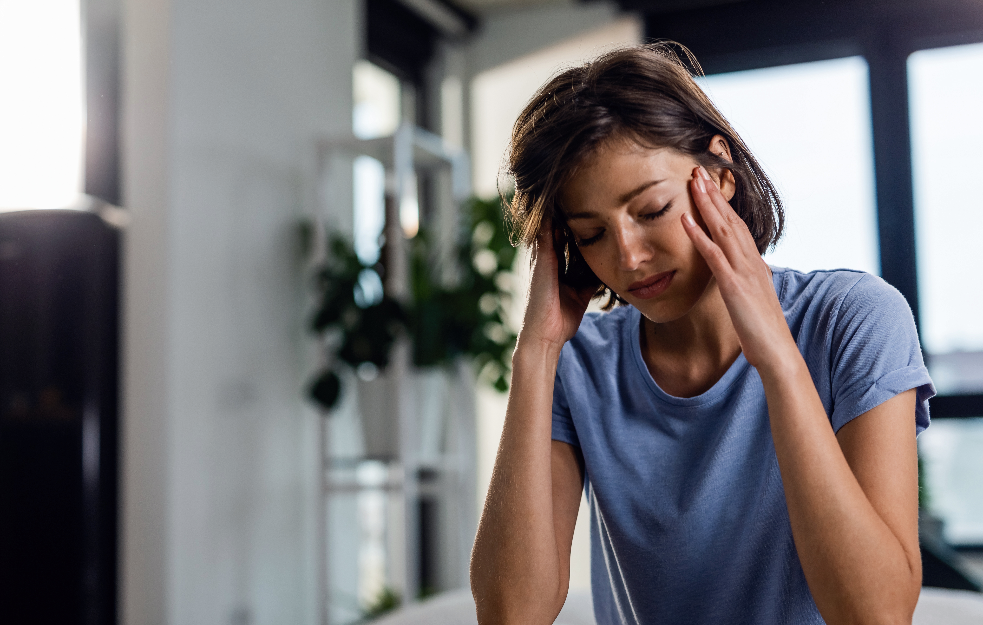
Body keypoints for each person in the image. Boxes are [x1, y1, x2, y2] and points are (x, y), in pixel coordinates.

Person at [469, 43, 935, 625]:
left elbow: (878, 614)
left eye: (652, 209)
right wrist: (534, 356)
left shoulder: (855, 320)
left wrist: (777, 359)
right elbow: (513, 615)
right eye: (590, 235)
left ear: (719, 171)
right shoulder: (579, 366)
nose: (629, 257)